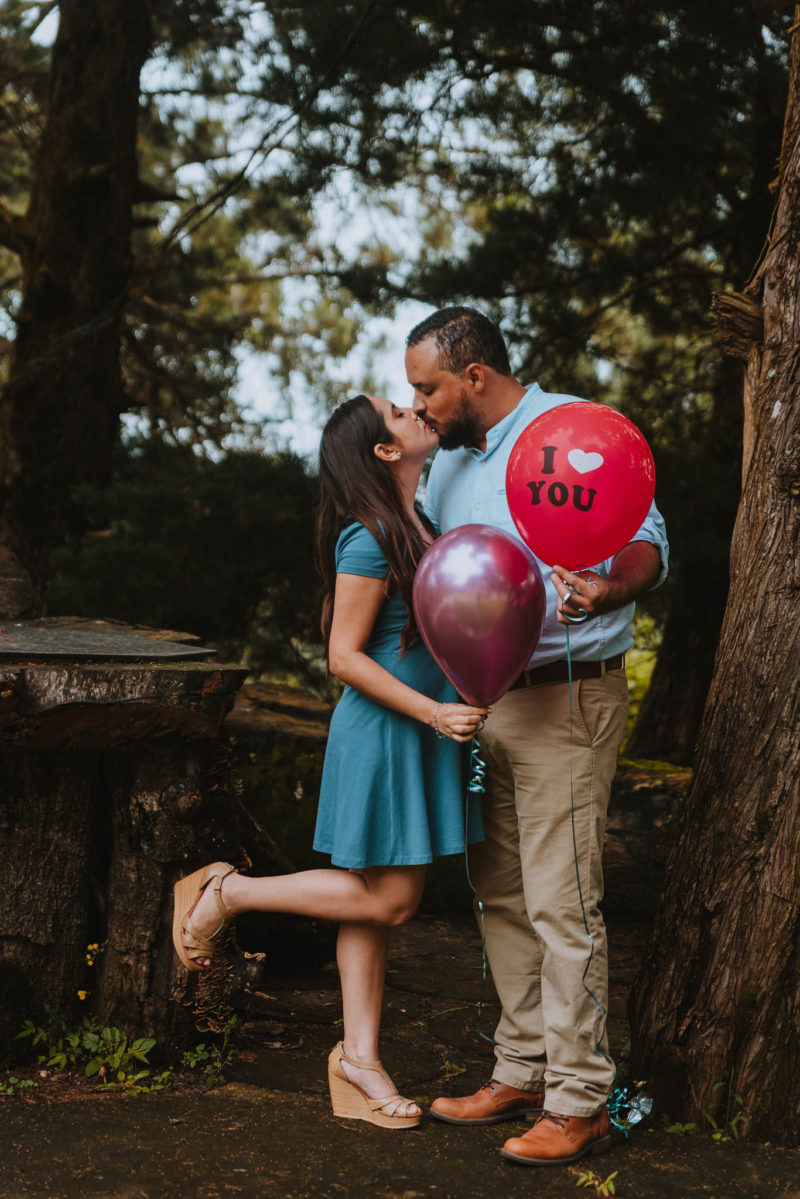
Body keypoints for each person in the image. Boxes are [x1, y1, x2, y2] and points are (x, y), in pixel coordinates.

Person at [172, 393, 487, 1130]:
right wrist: (435, 710)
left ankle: (359, 1061)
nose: (418, 412)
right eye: (402, 414)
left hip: (420, 733)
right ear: (384, 451)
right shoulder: (370, 537)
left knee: (368, 896)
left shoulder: (422, 525)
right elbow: (343, 657)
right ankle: (228, 892)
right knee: (394, 900)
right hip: (385, 733)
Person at [405, 307, 668, 1166]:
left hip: (567, 698)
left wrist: (605, 589)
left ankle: (582, 1096)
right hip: (488, 702)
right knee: (502, 896)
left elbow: (648, 545)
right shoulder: (445, 471)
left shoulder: (569, 434)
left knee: (563, 902)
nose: (423, 404)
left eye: (429, 387)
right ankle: (520, 1066)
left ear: (474, 377)